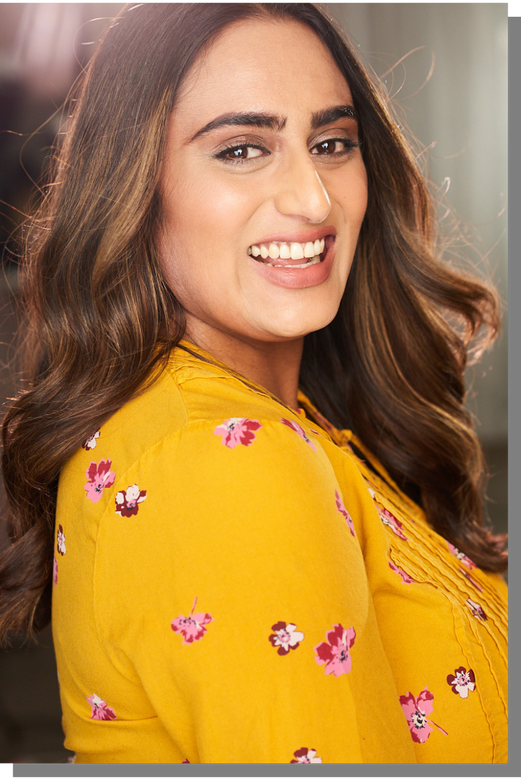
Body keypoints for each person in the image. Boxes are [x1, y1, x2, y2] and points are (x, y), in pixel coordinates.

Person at [0, 1, 507, 764]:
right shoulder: (220, 458)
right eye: (241, 149)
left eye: (332, 142)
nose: (313, 199)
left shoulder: (271, 421)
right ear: (134, 187)